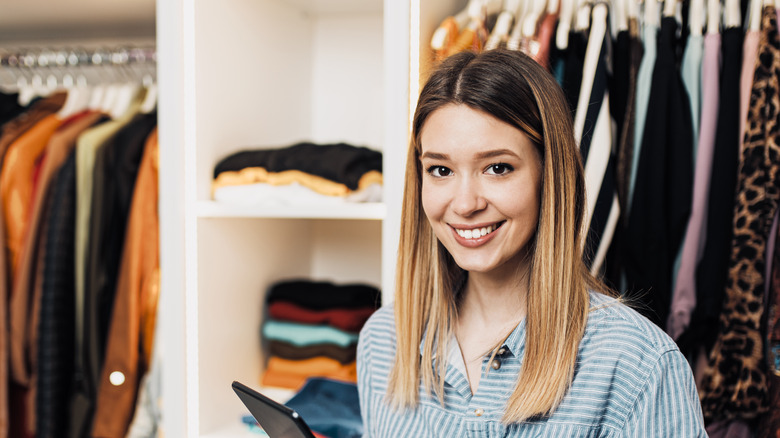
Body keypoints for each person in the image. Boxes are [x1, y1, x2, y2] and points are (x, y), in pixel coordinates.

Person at [357, 49, 707, 437]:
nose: (465, 203)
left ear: (550, 174)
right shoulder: (383, 341)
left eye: (498, 168)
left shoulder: (638, 365)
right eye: (441, 170)